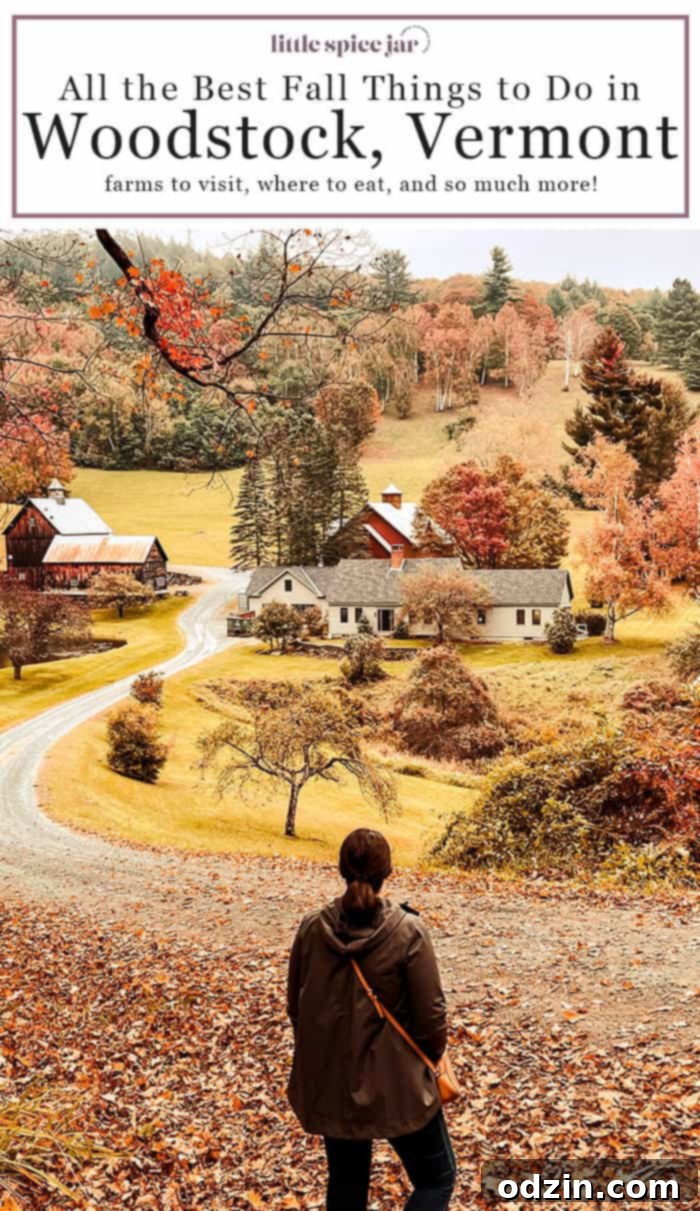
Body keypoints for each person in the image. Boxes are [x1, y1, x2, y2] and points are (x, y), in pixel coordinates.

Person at [287, 827, 456, 1210]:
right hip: (399, 1083)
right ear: (387, 872)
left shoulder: (312, 928)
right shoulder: (408, 932)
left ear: (342, 869)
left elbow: (297, 1010)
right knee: (437, 1179)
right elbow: (431, 1021)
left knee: (346, 1183)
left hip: (333, 1081)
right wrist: (430, 1058)